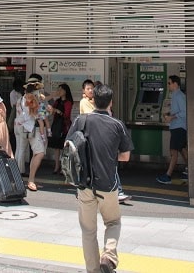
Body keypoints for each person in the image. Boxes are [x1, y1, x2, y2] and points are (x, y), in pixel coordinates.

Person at [68, 82, 133, 273]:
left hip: (85, 185)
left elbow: (69, 147)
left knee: (88, 231)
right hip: (108, 185)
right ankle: (109, 256)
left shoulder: (81, 121)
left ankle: (93, 270)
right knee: (113, 222)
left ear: (93, 100)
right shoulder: (117, 125)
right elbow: (125, 156)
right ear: (110, 102)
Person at [156, 75, 187, 184]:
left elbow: (184, 112)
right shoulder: (175, 95)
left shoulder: (179, 96)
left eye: (169, 83)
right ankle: (190, 171)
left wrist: (171, 117)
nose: (168, 85)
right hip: (177, 127)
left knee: (173, 152)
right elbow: (178, 111)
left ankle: (168, 175)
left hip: (179, 127)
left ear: (175, 84)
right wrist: (169, 114)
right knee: (182, 149)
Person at [50, 83, 74, 174]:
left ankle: (64, 167)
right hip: (57, 126)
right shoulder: (57, 101)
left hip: (64, 127)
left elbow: (67, 115)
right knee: (56, 147)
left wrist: (57, 111)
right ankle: (57, 166)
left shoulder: (68, 102)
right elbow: (53, 112)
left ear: (65, 91)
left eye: (60, 90)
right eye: (58, 89)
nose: (59, 91)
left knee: (64, 147)